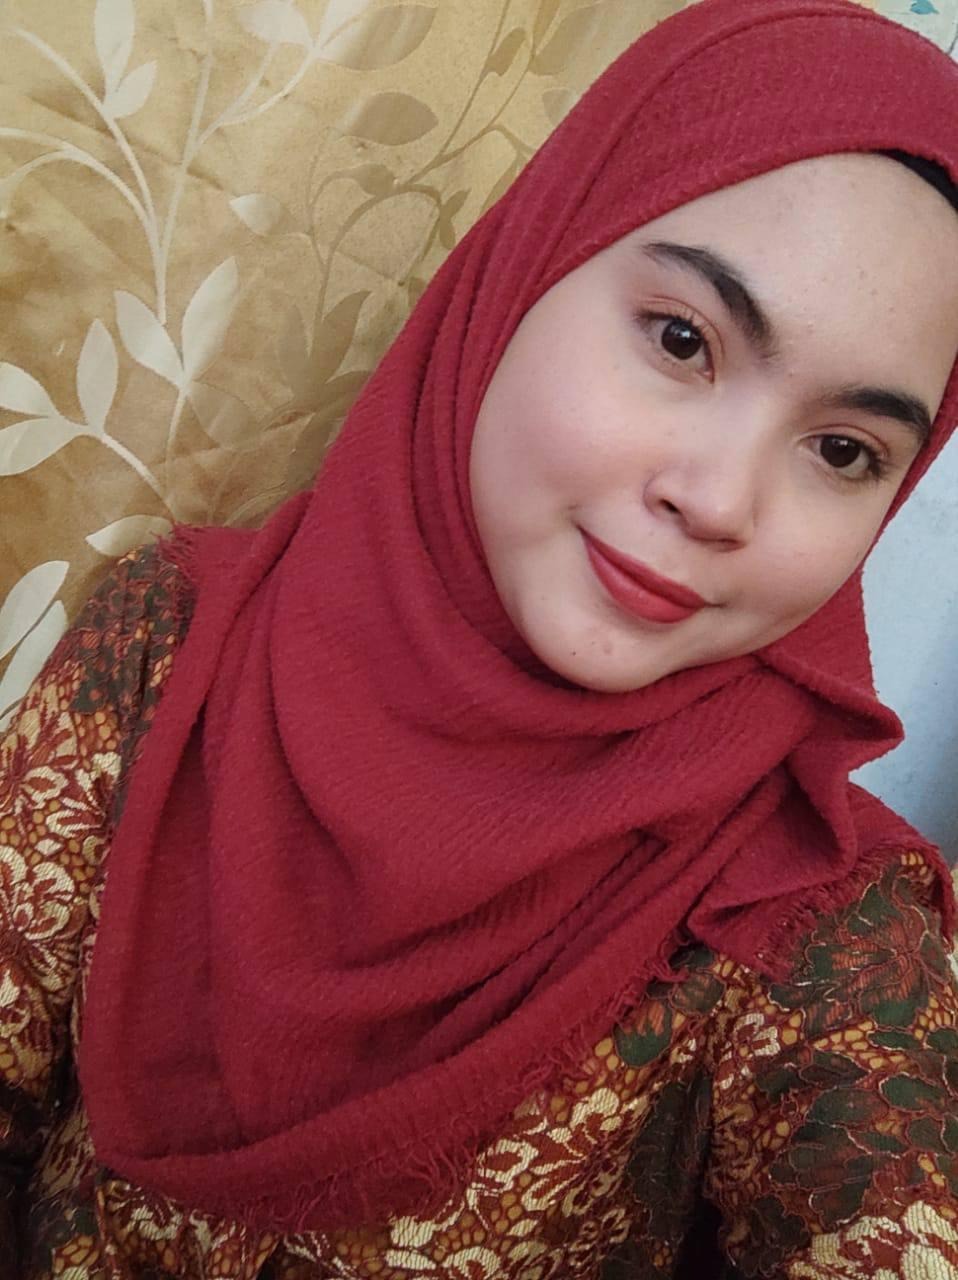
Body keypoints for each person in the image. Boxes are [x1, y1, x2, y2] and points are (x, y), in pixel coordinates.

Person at [2, 0, 958, 1274]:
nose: (720, 500)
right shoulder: (170, 647)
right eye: (682, 340)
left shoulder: (810, 916)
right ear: (523, 271)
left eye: (842, 450)